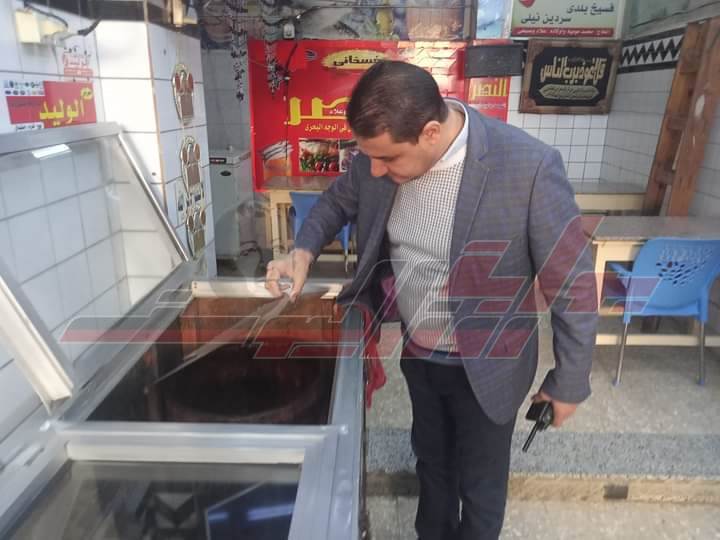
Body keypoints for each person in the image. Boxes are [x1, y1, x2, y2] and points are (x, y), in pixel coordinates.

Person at [265, 61, 598, 540]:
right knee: (433, 463)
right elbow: (336, 202)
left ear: (430, 133)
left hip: (491, 363)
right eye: (370, 158)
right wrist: (302, 252)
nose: (375, 170)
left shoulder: (527, 166)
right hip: (421, 355)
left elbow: (573, 283)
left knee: (480, 485)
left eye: (388, 159)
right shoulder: (377, 157)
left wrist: (569, 382)